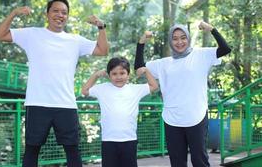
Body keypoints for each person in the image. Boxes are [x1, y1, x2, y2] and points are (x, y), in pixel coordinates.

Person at [0, 0, 109, 167]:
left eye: (64, 12)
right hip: (37, 102)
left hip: (66, 104)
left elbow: (103, 50)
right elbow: (0, 35)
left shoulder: (75, 40)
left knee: (72, 149)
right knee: (32, 149)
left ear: (67, 17)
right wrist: (14, 13)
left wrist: (101, 27)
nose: (60, 15)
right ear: (47, 14)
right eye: (55, 11)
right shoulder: (32, 34)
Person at [134, 22, 231, 167]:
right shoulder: (163, 63)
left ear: (188, 38)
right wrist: (141, 42)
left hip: (196, 116)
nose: (179, 42)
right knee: (177, 162)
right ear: (170, 41)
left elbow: (225, 49)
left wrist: (211, 29)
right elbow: (139, 67)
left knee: (199, 160)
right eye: (175, 38)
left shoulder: (201, 55)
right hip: (172, 118)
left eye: (183, 37)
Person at [81, 57, 158, 167]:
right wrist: (96, 75)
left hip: (129, 140)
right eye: (114, 74)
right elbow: (84, 91)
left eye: (122, 73)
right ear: (109, 75)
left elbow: (154, 86)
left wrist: (146, 71)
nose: (118, 77)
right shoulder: (102, 89)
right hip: (108, 140)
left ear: (128, 74)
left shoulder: (135, 89)